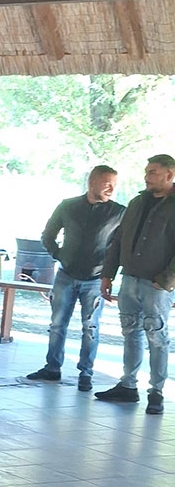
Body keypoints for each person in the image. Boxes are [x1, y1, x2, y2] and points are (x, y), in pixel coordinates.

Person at [25, 164, 123, 391]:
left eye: (114, 185)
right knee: (57, 324)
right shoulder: (68, 206)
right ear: (92, 182)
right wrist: (59, 254)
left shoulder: (119, 212)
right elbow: (48, 235)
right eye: (107, 183)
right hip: (66, 275)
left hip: (96, 279)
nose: (111, 189)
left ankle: (86, 373)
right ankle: (52, 368)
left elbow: (122, 246)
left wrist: (109, 273)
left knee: (91, 327)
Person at [96, 153, 175, 415]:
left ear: (169, 174)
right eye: (146, 172)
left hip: (156, 285)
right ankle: (128, 386)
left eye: (153, 172)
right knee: (130, 332)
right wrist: (108, 273)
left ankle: (156, 392)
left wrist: (167, 279)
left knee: (157, 336)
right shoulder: (137, 202)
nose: (146, 177)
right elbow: (119, 239)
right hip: (129, 278)